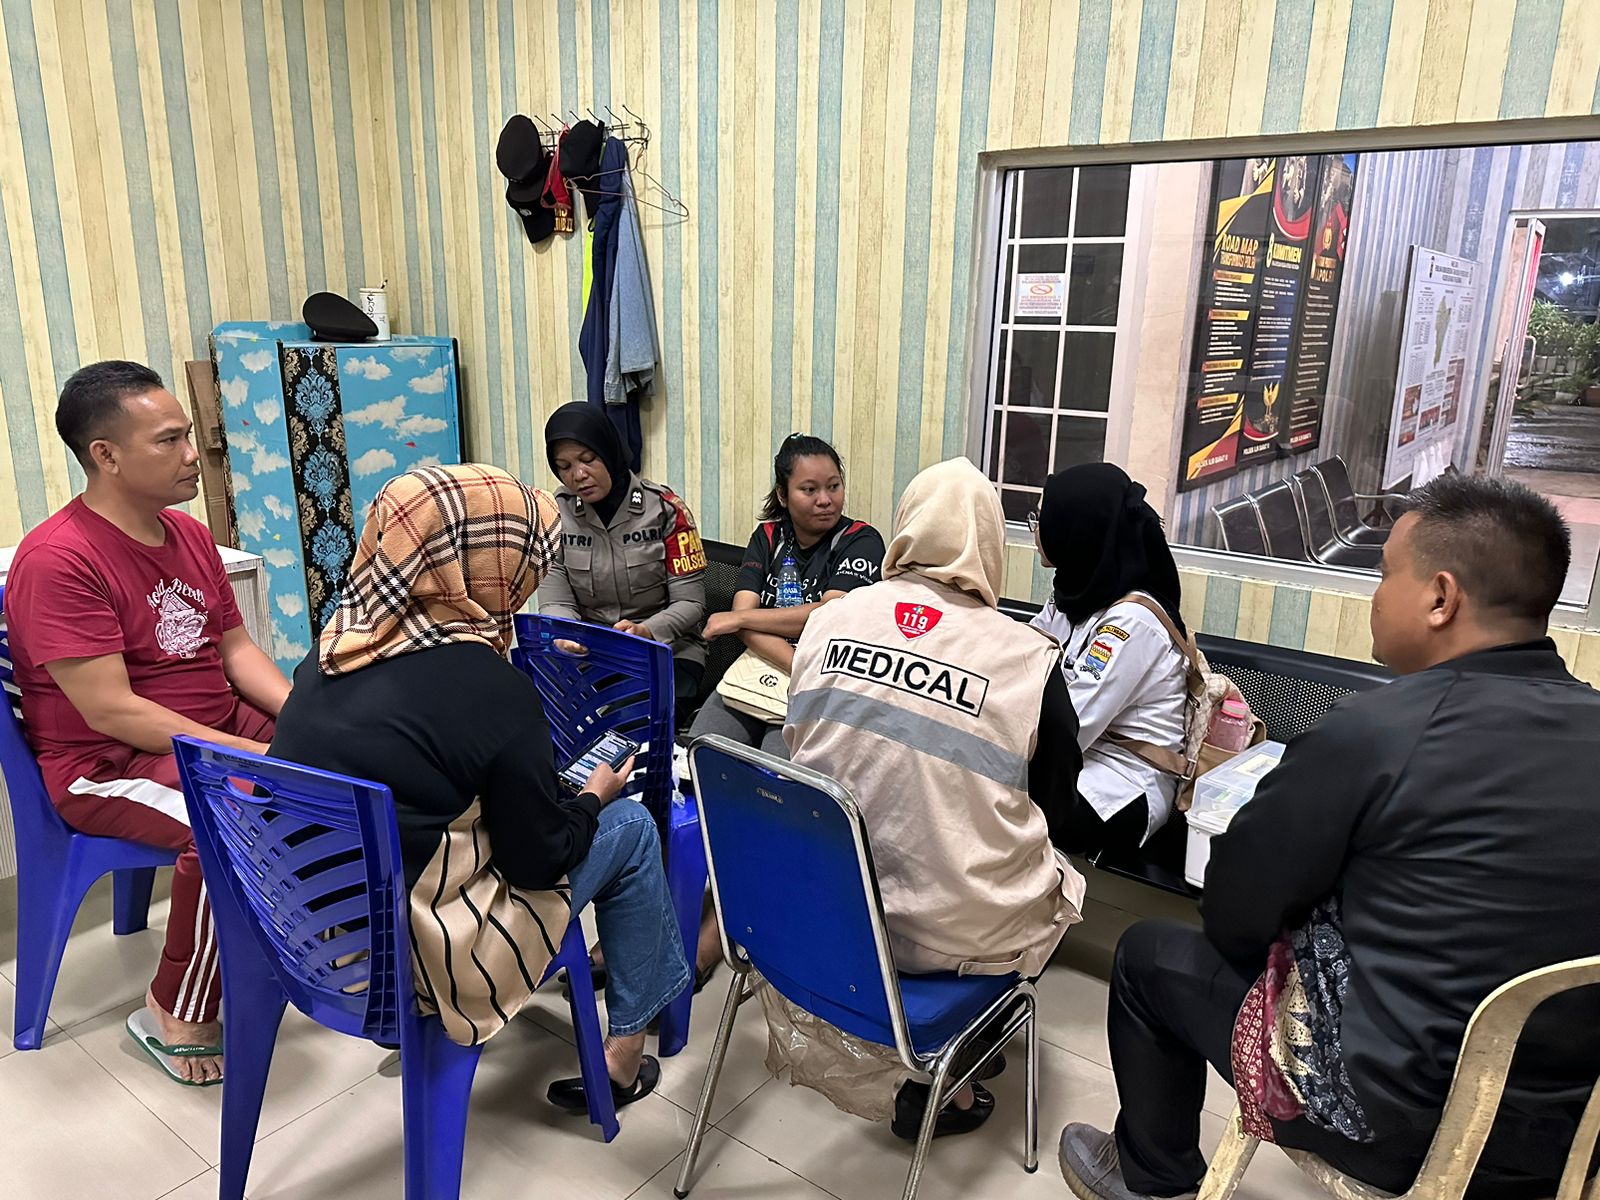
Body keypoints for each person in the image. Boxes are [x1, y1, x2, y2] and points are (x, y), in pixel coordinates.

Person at [1057, 474, 1600, 1200]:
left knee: (1150, 955)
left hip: (1397, 1127)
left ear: (1440, 598)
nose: (1375, 596)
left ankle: (1151, 1177)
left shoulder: (1375, 734)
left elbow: (1235, 915)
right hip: (1572, 1134)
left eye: (1385, 574)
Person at [269, 464, 690, 1112]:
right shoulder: (492, 688)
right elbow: (540, 860)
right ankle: (625, 1056)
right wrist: (592, 798)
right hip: (426, 960)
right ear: (489, 564)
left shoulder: (329, 654)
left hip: (316, 936)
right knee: (631, 828)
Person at [4, 360, 290, 1087]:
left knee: (349, 761)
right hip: (105, 764)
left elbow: (236, 650)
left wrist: (307, 722)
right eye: (170, 440)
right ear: (105, 455)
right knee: (232, 818)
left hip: (205, 727)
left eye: (188, 435)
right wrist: (244, 754)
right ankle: (174, 1009)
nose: (193, 454)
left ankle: (305, 931)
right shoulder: (59, 560)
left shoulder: (187, 533)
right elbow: (112, 710)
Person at [785, 457, 1086, 1142]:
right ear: (991, 542)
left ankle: (951, 1043)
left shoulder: (830, 622)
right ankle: (954, 1068)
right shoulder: (1027, 660)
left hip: (825, 917)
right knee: (1057, 879)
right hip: (952, 936)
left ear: (906, 525)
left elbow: (800, 747)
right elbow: (1059, 812)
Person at [689, 433, 885, 758]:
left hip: (822, 681)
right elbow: (743, 621)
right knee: (701, 753)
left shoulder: (860, 540)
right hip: (761, 666)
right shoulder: (768, 536)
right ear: (783, 494)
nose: (825, 500)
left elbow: (827, 617)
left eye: (834, 486)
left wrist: (741, 620)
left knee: (776, 772)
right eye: (809, 490)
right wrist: (785, 656)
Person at [1029, 464, 1188, 855]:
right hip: (1075, 759)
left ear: (1075, 527)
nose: (1035, 528)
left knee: (997, 801)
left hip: (1122, 781)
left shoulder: (1133, 620)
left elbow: (1072, 726)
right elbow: (1023, 656)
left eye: (1041, 518)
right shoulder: (1075, 594)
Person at [538, 401, 708, 704]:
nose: (578, 474)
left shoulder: (665, 510)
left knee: (632, 716)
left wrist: (647, 630)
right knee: (533, 707)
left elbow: (691, 602)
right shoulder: (554, 515)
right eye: (564, 467)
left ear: (609, 450)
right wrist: (564, 634)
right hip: (593, 652)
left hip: (666, 649)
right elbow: (555, 601)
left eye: (588, 459)